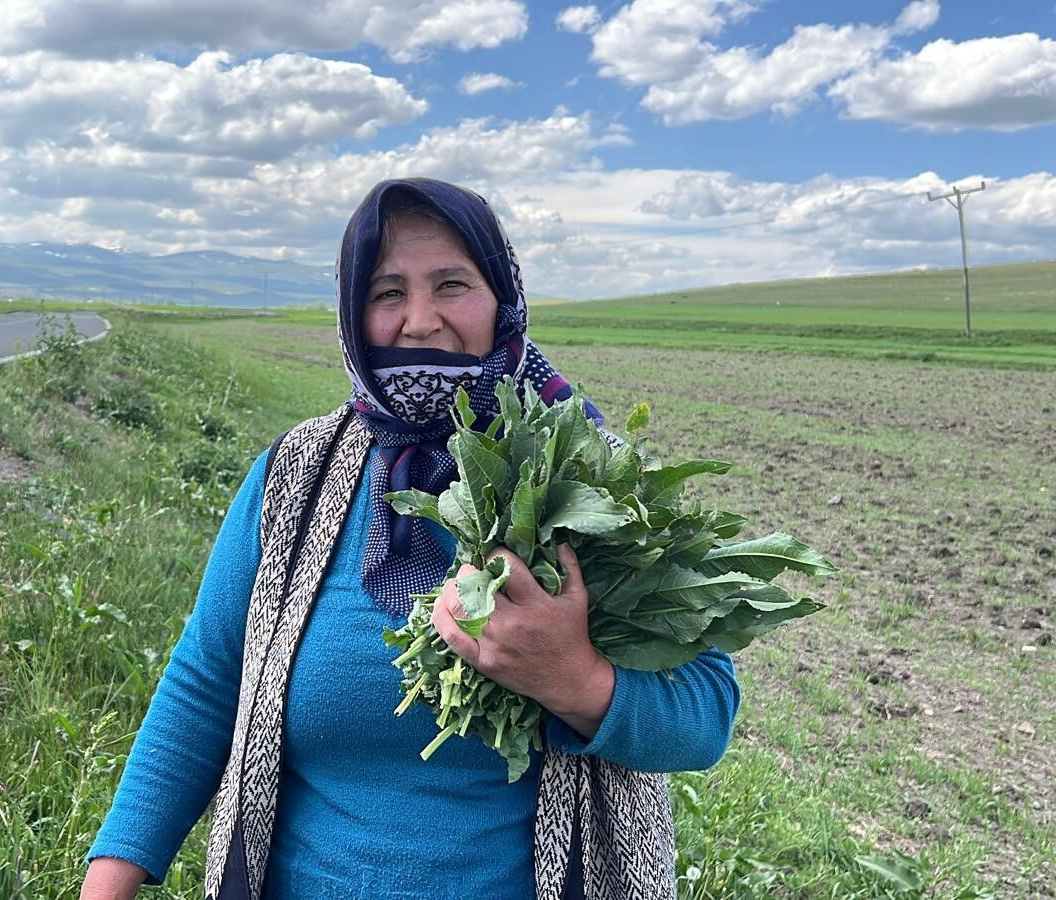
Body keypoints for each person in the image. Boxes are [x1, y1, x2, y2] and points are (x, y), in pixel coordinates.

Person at [79, 178, 740, 900]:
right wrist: (109, 882)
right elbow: (206, 684)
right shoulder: (294, 476)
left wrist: (574, 678)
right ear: (353, 314)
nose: (419, 321)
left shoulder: (588, 480)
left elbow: (704, 716)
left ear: (504, 299)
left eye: (452, 284)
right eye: (387, 292)